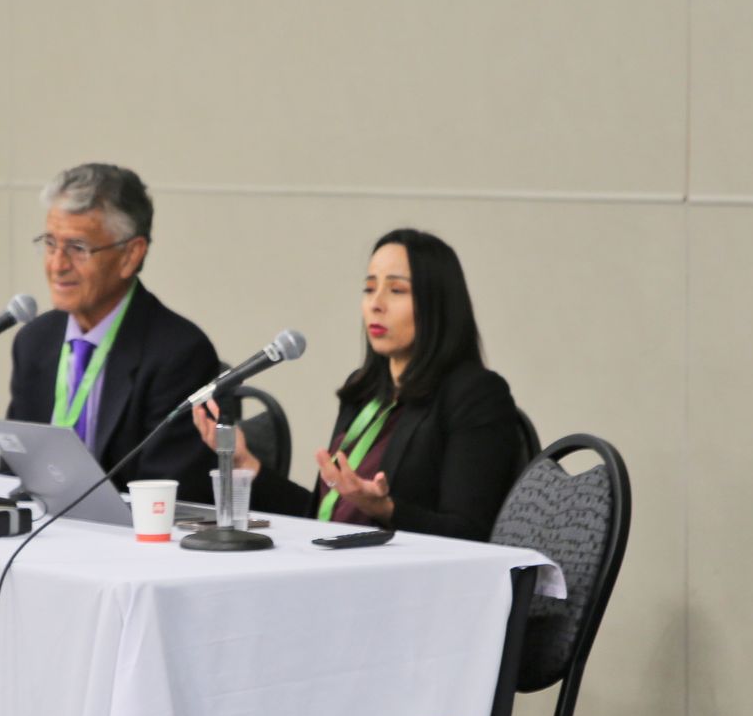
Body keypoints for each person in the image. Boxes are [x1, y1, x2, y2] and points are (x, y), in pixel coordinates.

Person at [195, 228, 521, 541]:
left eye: (396, 290)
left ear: (437, 304)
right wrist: (246, 464)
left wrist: (386, 509)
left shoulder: (475, 395)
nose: (375, 304)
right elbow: (323, 520)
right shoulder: (365, 392)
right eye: (369, 288)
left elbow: (470, 534)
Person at [7, 164, 221, 502]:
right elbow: (15, 473)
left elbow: (169, 497)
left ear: (130, 255)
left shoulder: (179, 354)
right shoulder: (35, 341)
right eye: (50, 243)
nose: (57, 264)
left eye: (77, 248)